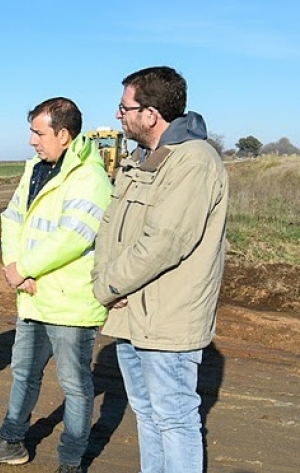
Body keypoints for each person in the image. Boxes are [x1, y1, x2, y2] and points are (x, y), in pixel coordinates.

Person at [0, 97, 111, 473]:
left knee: (75, 386)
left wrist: (26, 267)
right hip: (32, 294)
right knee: (24, 373)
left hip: (69, 301)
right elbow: (12, 218)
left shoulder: (89, 178)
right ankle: (12, 441)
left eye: (38, 132)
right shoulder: (36, 169)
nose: (31, 140)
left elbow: (73, 235)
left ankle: (71, 462)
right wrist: (15, 268)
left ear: (63, 135)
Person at [93, 66, 229, 473]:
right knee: (148, 417)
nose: (119, 115)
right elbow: (110, 227)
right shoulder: (144, 159)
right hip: (130, 314)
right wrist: (106, 282)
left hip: (167, 319)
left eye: (125, 107)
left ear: (151, 114)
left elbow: (164, 241)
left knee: (174, 419)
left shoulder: (194, 162)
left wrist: (107, 286)